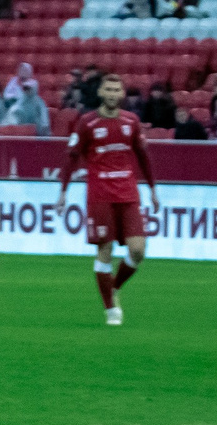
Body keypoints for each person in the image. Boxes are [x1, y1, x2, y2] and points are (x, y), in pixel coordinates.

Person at [57, 73, 158, 325]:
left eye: (117, 90)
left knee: (138, 250)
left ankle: (112, 287)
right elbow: (72, 158)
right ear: (101, 92)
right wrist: (63, 192)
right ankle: (111, 308)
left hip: (128, 193)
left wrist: (153, 189)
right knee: (106, 249)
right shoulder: (87, 123)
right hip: (100, 195)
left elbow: (143, 157)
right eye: (108, 89)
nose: (112, 94)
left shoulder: (131, 121)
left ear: (122, 94)